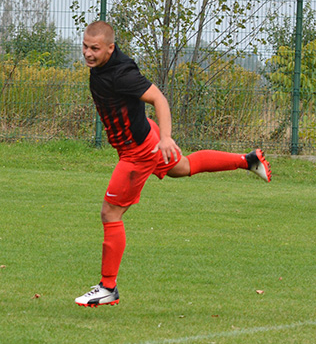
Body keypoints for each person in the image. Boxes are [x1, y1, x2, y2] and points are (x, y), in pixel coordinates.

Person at [74, 20, 271, 307]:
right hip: (145, 136)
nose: (88, 53)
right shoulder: (104, 66)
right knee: (184, 167)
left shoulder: (121, 75)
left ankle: (108, 287)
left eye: (95, 48)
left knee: (110, 214)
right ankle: (247, 160)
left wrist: (166, 138)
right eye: (85, 46)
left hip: (138, 151)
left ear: (110, 48)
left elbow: (158, 99)